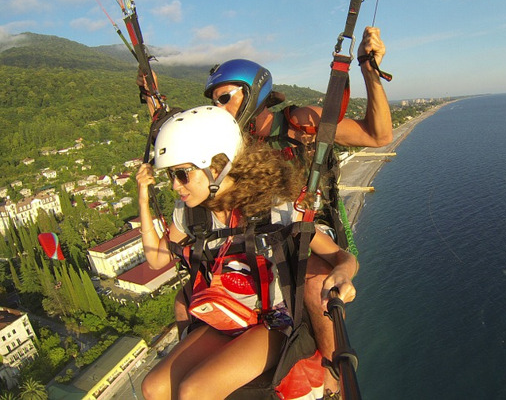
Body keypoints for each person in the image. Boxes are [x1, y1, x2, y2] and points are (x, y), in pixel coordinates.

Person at [138, 26, 391, 396]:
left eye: (225, 98)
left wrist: (370, 74)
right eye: (214, 102)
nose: (218, 109)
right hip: (254, 227)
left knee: (314, 285)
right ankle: (207, 359)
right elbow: (184, 144)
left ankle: (332, 378)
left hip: (303, 222)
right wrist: (152, 98)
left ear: (252, 92)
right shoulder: (229, 142)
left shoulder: (297, 121)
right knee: (184, 299)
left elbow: (377, 136)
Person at [137, 106, 358, 400]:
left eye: (182, 174)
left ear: (217, 166)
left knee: (194, 392)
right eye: (172, 176)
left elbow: (342, 258)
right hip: (223, 316)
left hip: (270, 323)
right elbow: (157, 258)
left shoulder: (274, 208)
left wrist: (342, 274)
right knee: (153, 388)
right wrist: (142, 199)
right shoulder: (190, 214)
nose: (176, 186)